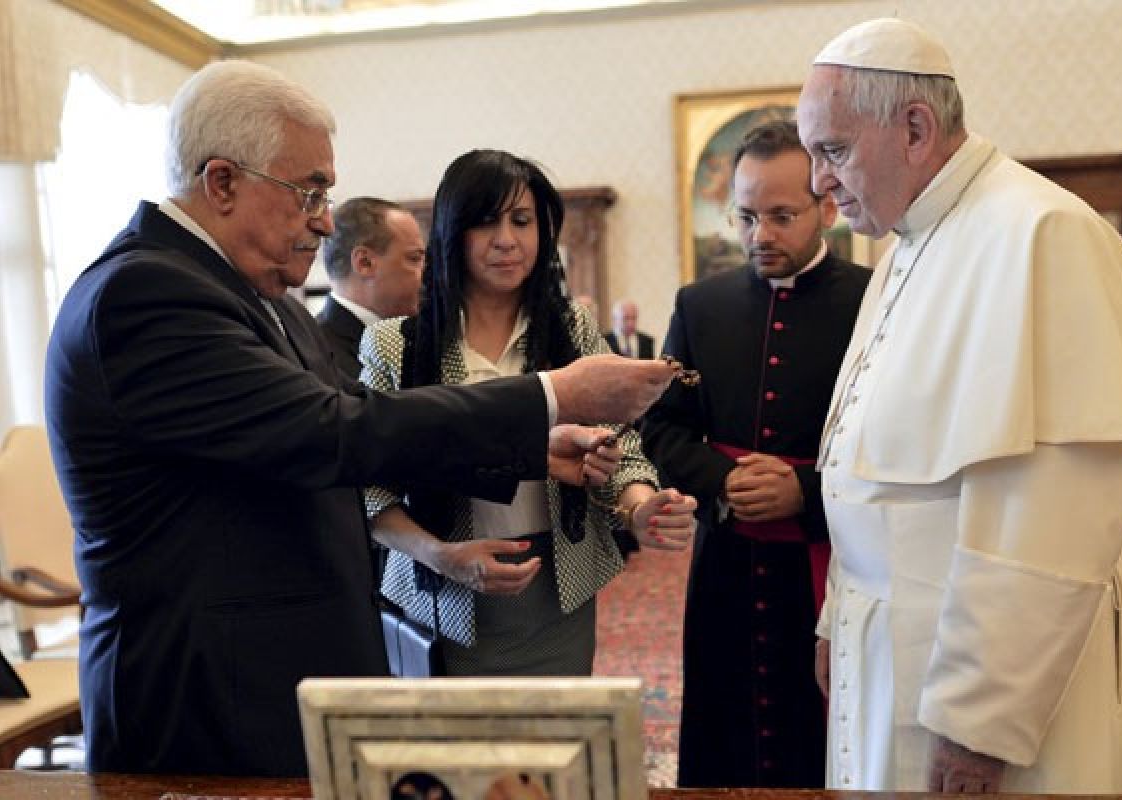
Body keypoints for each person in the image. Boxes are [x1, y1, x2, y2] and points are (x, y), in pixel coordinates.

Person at [43, 60, 675, 777]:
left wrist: (536, 446)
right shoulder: (146, 292)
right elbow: (331, 431)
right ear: (221, 182)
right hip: (210, 694)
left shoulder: (263, 298)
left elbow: (358, 421)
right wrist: (549, 396)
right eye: (308, 190)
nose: (323, 219)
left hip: (277, 677)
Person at [796, 18, 1122, 794]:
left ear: (914, 128)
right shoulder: (907, 243)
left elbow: (1054, 514)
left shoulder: (1040, 234)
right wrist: (837, 615)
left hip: (1008, 685)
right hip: (894, 643)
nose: (819, 182)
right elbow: (867, 463)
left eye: (834, 151)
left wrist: (981, 723)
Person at [360, 149, 697, 676]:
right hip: (440, 590)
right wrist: (440, 555)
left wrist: (639, 503)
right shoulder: (396, 346)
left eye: (522, 221)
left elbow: (619, 443)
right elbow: (368, 488)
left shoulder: (573, 330)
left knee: (553, 748)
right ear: (452, 232)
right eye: (485, 221)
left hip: (556, 586)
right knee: (458, 755)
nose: (506, 240)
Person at [641, 121, 870, 788]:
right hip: (727, 565)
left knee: (825, 734)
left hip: (832, 564)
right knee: (726, 728)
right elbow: (664, 430)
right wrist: (726, 480)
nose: (759, 235)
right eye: (744, 216)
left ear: (827, 205)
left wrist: (804, 488)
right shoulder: (700, 306)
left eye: (780, 216)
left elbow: (896, 444)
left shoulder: (872, 301)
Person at [317, 197, 426, 381]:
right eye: (414, 259)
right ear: (364, 263)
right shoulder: (314, 352)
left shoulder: (417, 337)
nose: (427, 273)